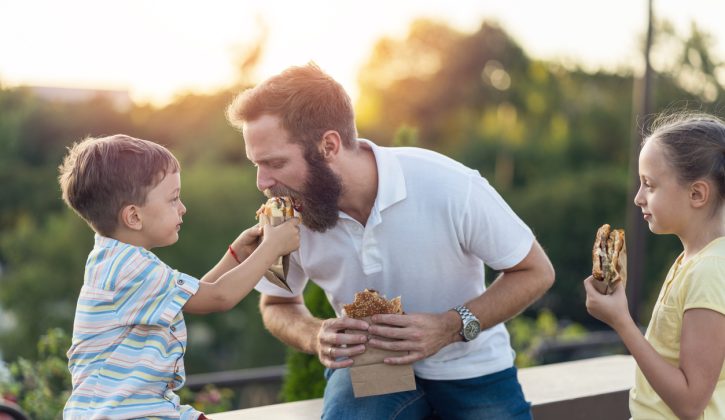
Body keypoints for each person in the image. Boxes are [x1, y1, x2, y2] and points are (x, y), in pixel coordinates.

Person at [226, 63, 555, 419]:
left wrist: (449, 326)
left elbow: (536, 271)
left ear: (329, 145)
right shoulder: (282, 216)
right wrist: (313, 334)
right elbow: (277, 304)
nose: (262, 182)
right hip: (367, 371)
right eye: (256, 165)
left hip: (470, 368)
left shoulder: (449, 185)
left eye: (274, 163)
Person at [58, 135, 299, 419]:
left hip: (136, 409)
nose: (182, 208)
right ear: (134, 217)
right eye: (173, 199)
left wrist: (236, 255)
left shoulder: (116, 259)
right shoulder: (132, 268)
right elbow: (218, 297)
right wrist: (273, 247)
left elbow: (195, 294)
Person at [583, 112, 725, 419]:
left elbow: (690, 403)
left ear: (697, 193)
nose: (638, 198)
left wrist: (621, 322)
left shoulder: (710, 270)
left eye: (649, 185)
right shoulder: (696, 261)